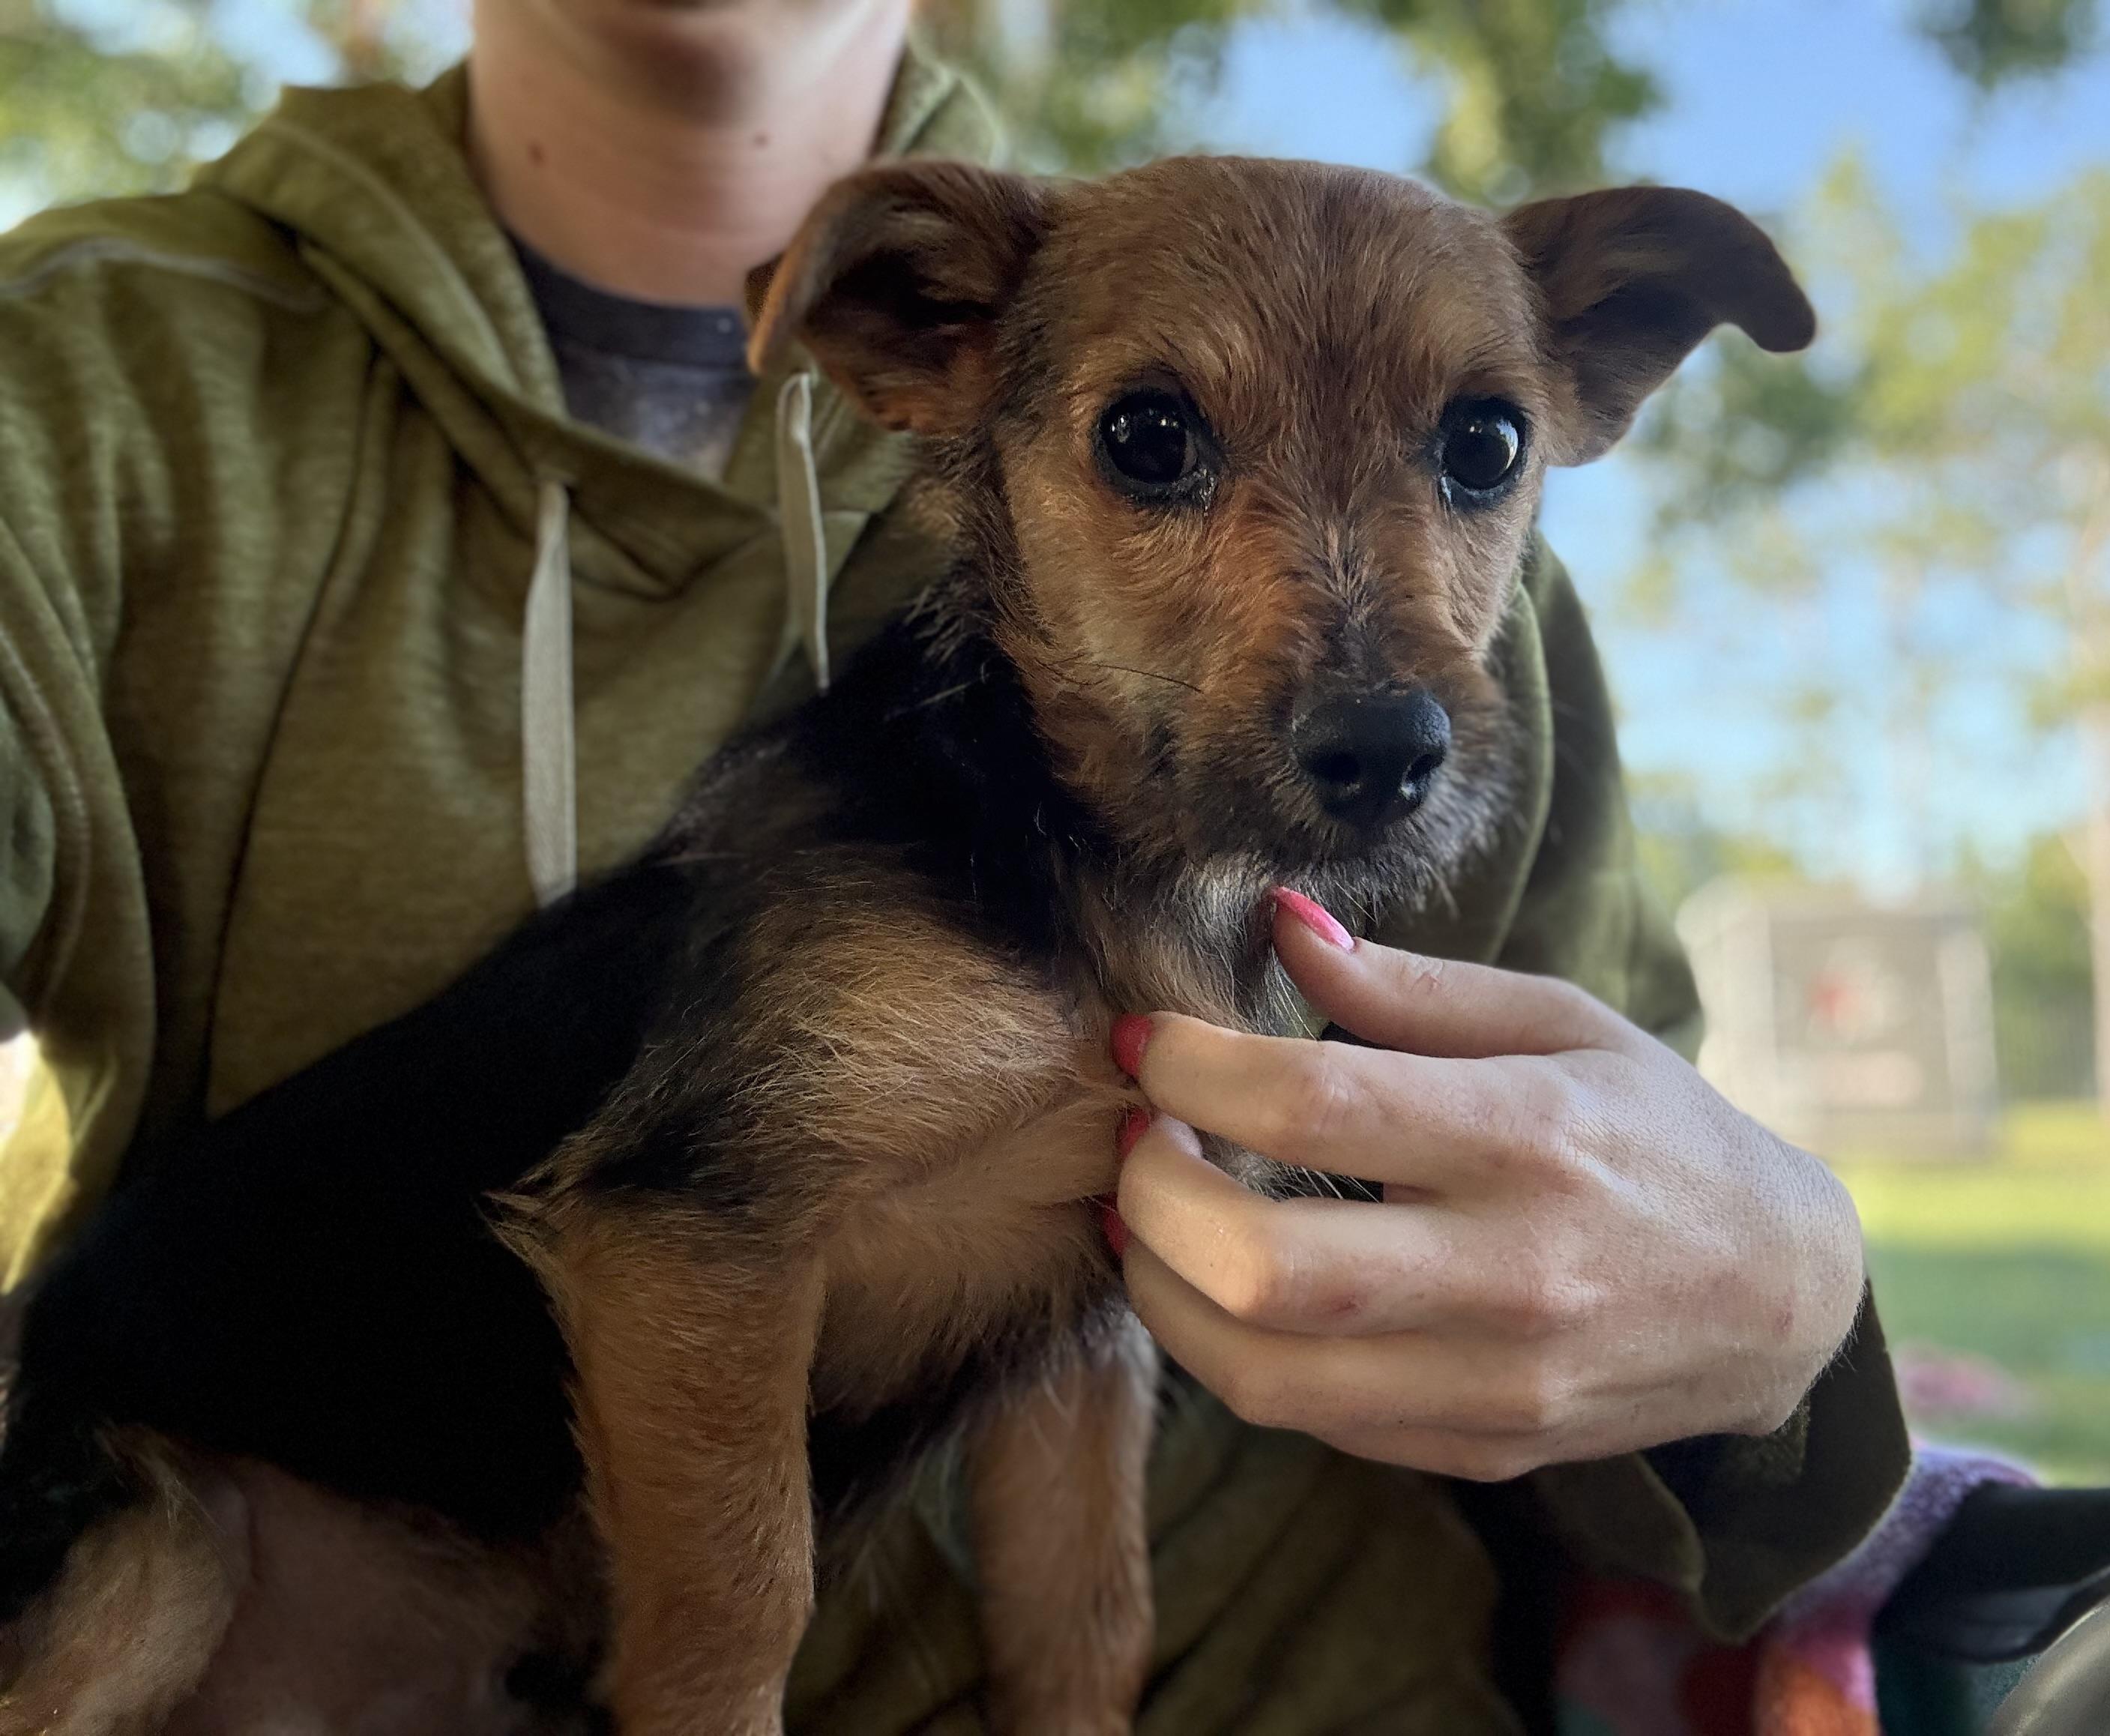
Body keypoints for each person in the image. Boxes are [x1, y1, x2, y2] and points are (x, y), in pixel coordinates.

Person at [0, 0, 1906, 1724]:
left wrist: (1788, 1303)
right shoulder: (86, 396)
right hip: (252, 1525)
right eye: (1156, 443)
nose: (1361, 653)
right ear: (918, 344)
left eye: (1474, 446)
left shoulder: (1461, 647)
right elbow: (686, 1245)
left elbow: (1623, 1263)